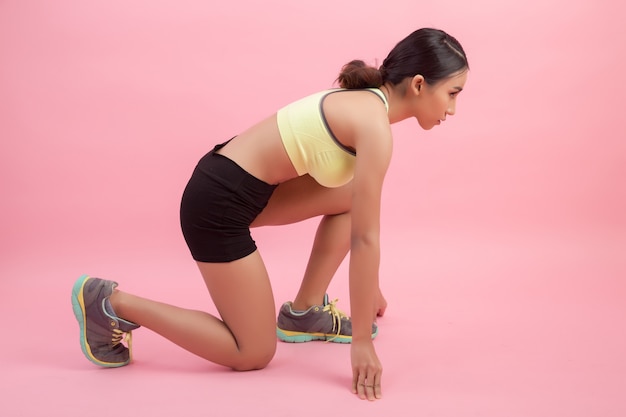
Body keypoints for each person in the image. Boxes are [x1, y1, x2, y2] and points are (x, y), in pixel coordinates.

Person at [71, 27, 469, 401]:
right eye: (452, 93)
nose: (453, 108)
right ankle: (110, 304)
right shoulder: (374, 126)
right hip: (217, 204)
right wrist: (362, 341)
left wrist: (371, 290)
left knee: (351, 196)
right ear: (419, 84)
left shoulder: (366, 105)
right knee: (252, 352)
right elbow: (365, 239)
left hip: (236, 186)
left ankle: (305, 312)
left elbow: (364, 218)